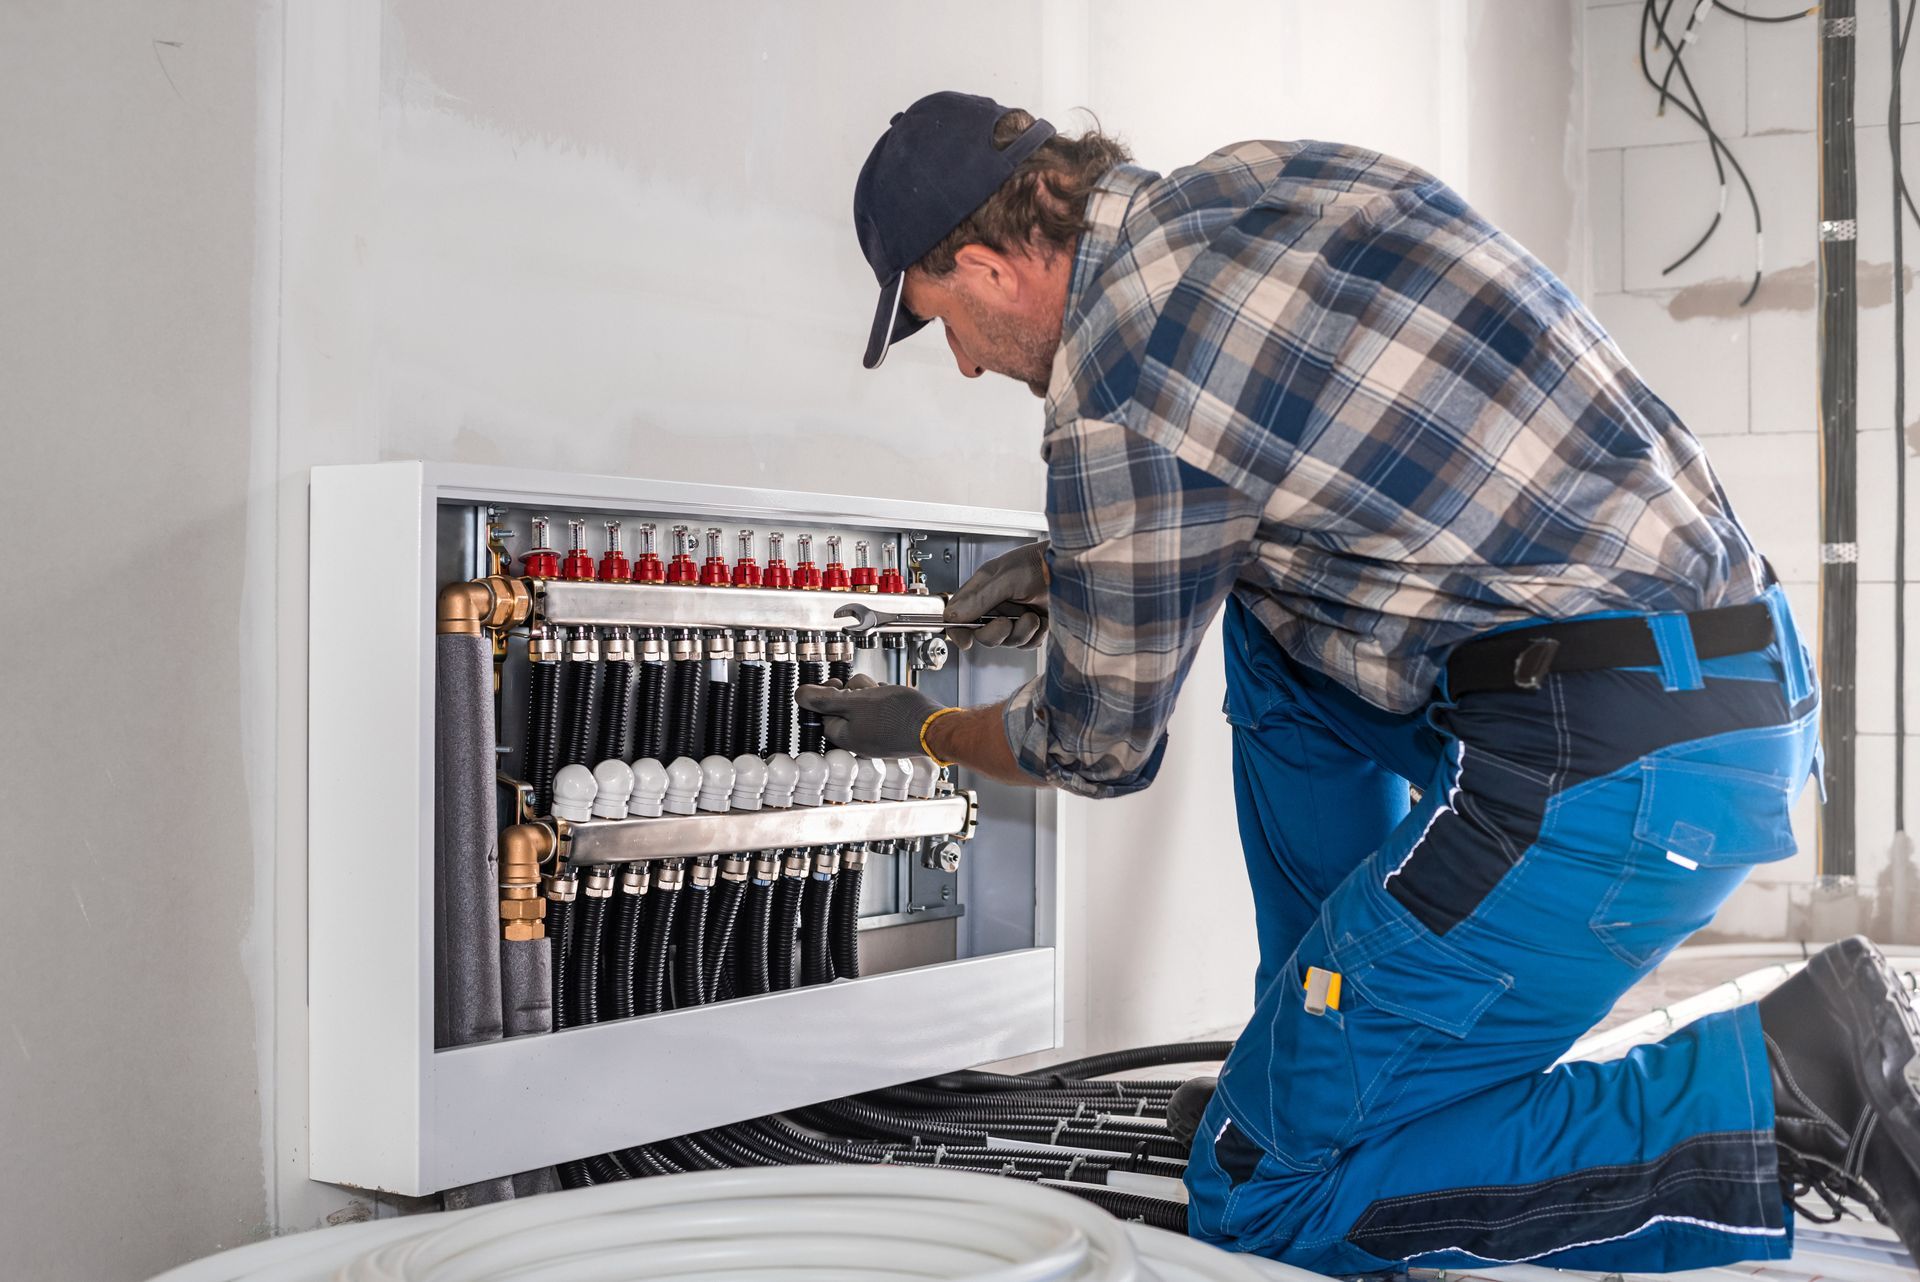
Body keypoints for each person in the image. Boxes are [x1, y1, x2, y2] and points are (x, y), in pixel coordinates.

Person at [799, 90, 1920, 1273]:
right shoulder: (1263, 178)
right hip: (1727, 690)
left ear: (986, 266)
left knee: (1262, 1186)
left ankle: (1789, 1091)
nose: (968, 364)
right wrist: (1062, 568)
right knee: (1266, 637)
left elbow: (1095, 744)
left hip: (1604, 773)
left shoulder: (1116, 385)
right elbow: (1315, 478)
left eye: (947, 324)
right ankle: (1317, 1042)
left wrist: (923, 728)